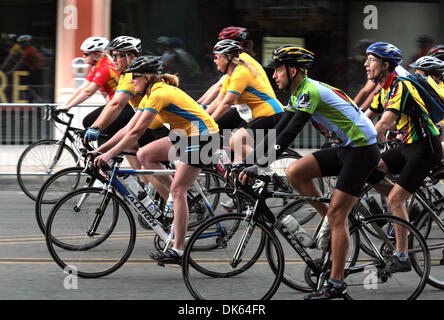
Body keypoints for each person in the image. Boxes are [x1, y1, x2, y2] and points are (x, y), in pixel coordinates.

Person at [238, 45, 380, 300]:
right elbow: (278, 131)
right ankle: (331, 225)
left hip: (361, 150)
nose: (274, 76)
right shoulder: (298, 93)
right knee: (296, 172)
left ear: (293, 70)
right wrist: (248, 161)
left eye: (278, 70)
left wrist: (259, 164)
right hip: (346, 147)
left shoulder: (310, 91)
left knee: (339, 215)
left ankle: (337, 283)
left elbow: (290, 134)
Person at [93, 55, 219, 265]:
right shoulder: (149, 95)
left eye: (135, 77)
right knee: (144, 155)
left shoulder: (160, 94)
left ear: (148, 77)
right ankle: (177, 198)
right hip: (187, 136)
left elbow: (136, 134)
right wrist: (101, 150)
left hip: (204, 137)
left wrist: (108, 155)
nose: (131, 81)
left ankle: (178, 251)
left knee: (179, 190)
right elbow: (128, 129)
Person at [364, 42, 442, 273]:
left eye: (371, 60)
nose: (366, 64)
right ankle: (403, 209)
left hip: (425, 148)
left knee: (395, 199)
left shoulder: (400, 87)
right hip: (407, 146)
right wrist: (343, 133)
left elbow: (384, 123)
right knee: (370, 170)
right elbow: (364, 117)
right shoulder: (385, 88)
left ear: (385, 64)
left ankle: (402, 256)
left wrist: (361, 143)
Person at [83, 35, 170, 200]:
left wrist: (96, 130)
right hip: (151, 124)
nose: (114, 59)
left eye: (118, 55)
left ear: (131, 57)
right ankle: (147, 188)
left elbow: (117, 106)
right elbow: (126, 126)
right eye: (113, 55)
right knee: (132, 149)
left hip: (164, 128)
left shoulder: (133, 79)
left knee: (147, 162)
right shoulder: (126, 76)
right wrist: (101, 150)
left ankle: (172, 205)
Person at [206, 39, 284, 162]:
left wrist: (208, 124)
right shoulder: (230, 75)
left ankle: (264, 171)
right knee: (237, 158)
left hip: (270, 114)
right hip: (257, 116)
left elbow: (227, 103)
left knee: (235, 141)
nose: (214, 60)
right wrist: (203, 117)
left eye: (217, 57)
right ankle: (247, 176)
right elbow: (219, 101)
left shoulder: (241, 73)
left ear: (227, 58)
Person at [58, 37, 121, 133]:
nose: (83, 56)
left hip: (120, 105)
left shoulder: (104, 68)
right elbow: (83, 88)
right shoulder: (97, 66)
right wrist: (65, 105)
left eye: (86, 54)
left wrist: (68, 107)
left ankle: (105, 148)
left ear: (97, 54)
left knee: (91, 123)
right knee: (93, 125)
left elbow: (88, 92)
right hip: (112, 104)